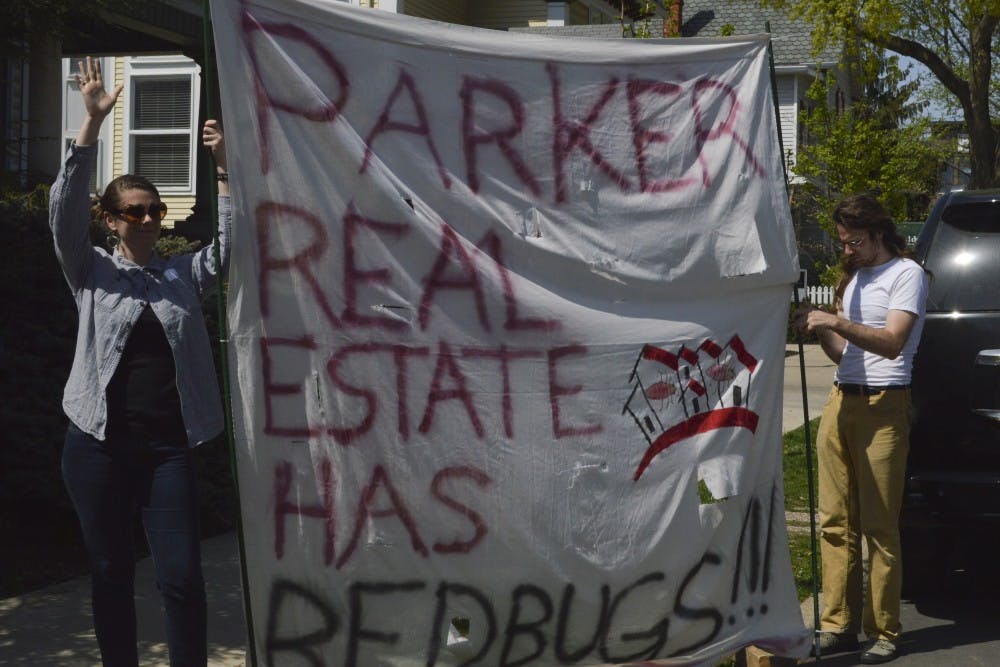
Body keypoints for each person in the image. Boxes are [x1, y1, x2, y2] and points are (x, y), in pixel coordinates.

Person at [49, 56, 231, 666]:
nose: (151, 218)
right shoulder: (91, 271)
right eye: (136, 211)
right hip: (96, 445)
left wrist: (225, 171)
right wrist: (91, 126)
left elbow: (229, 250)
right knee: (110, 573)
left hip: (167, 449)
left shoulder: (181, 276)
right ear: (112, 220)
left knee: (181, 578)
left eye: (156, 210)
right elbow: (63, 210)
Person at [794, 194, 929, 664]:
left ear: (877, 234)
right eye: (842, 242)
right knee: (835, 521)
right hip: (840, 400)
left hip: (884, 405)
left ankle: (885, 631)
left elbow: (892, 343)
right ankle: (838, 625)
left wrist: (838, 320)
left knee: (878, 526)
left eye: (853, 242)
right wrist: (821, 328)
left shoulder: (906, 275)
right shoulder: (851, 279)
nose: (846, 250)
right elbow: (843, 354)